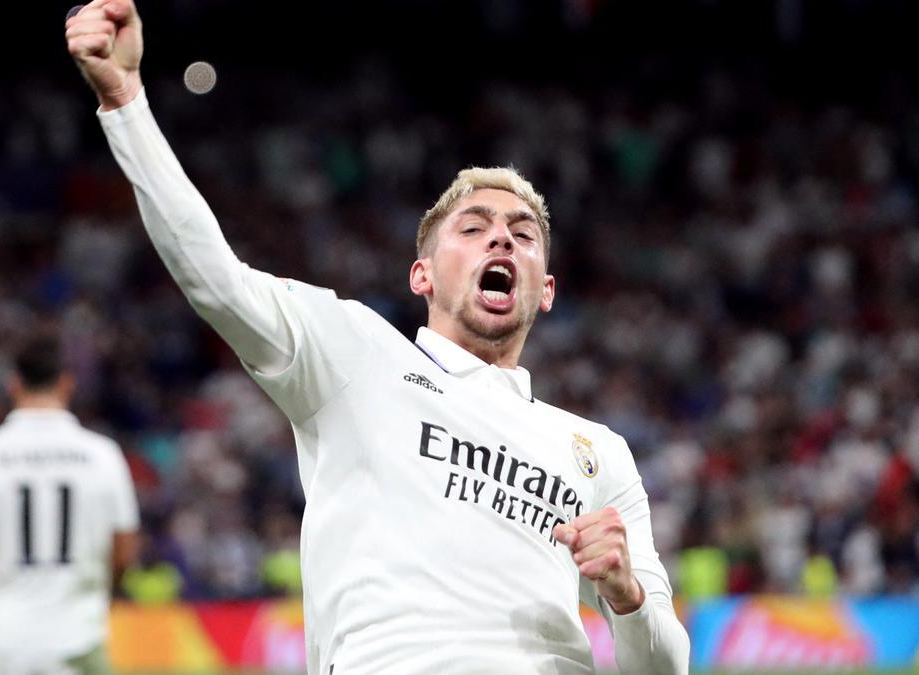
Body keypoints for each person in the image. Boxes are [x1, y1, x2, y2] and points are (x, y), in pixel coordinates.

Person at [65, 2, 691, 672]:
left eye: (522, 232)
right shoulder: (355, 355)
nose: (502, 235)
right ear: (422, 275)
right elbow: (216, 279)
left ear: (546, 290)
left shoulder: (598, 452)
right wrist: (125, 101)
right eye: (474, 227)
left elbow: (664, 666)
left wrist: (625, 597)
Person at [0, 334, 140, 674]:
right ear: (67, 383)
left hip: (6, 642)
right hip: (79, 637)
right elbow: (124, 550)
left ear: (13, 385)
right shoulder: (101, 455)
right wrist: (102, 592)